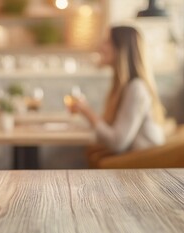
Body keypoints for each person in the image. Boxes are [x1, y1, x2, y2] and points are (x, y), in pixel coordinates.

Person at [68, 26, 166, 161]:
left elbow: (117, 143)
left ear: (122, 49)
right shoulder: (125, 87)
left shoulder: (136, 89)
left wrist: (88, 113)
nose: (100, 46)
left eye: (107, 41)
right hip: (130, 160)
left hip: (143, 166)